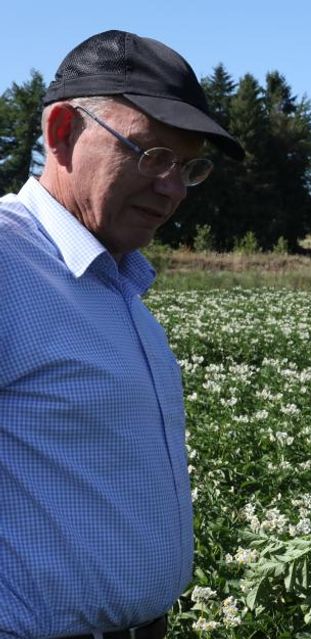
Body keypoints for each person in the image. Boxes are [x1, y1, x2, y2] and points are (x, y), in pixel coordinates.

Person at [0, 31, 242, 639]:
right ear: (62, 133)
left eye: (190, 168)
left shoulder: (113, 279)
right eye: (152, 155)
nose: (174, 189)